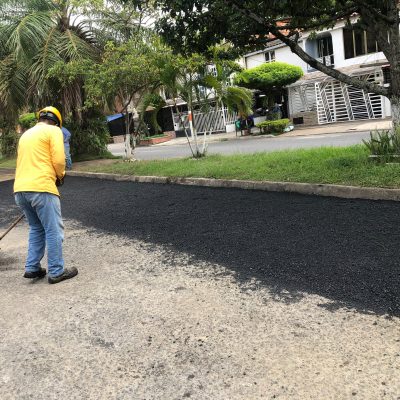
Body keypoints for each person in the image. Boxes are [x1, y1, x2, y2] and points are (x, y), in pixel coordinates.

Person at [14, 106, 78, 284]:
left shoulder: (25, 135)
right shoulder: (54, 131)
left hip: (20, 190)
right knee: (53, 229)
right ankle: (56, 271)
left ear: (40, 119)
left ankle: (32, 267)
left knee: (36, 228)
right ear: (57, 122)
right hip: (42, 187)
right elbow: (59, 160)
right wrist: (60, 175)